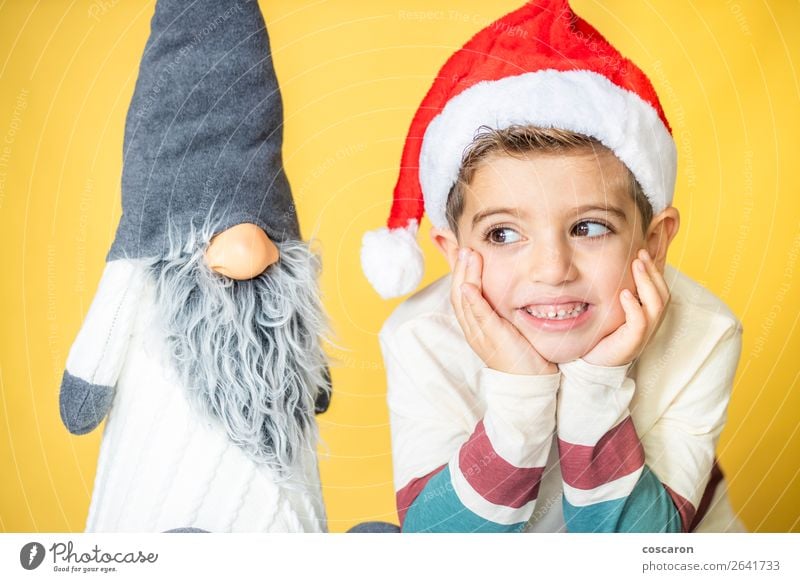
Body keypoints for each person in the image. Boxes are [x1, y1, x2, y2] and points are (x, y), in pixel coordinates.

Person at [361, 0, 744, 532]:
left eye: (589, 227)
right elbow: (436, 548)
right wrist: (521, 392)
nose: (551, 269)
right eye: (503, 234)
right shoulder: (420, 339)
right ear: (453, 254)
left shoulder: (704, 332)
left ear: (653, 242)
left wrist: (597, 383)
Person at [58, 0, 330, 532]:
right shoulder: (138, 263)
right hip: (159, 503)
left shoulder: (270, 259)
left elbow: (82, 398)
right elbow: (82, 397)